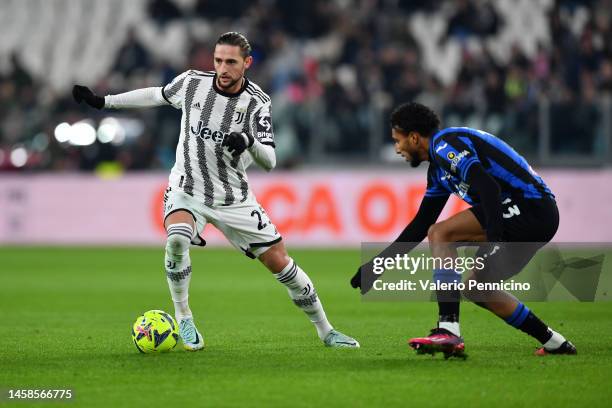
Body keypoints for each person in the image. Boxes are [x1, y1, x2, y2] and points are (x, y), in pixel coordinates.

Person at [74, 32, 359, 350]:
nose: (223, 68)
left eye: (231, 62)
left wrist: (248, 142)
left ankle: (326, 330)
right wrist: (105, 101)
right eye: (218, 60)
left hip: (233, 198)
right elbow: (156, 95)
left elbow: (270, 160)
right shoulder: (191, 83)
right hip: (187, 188)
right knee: (178, 238)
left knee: (282, 264)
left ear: (247, 63)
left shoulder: (257, 102)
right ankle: (184, 318)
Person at [351, 102, 575, 357]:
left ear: (414, 137)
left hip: (531, 206)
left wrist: (494, 240)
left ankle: (447, 329)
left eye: (398, 140)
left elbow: (489, 188)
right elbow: (420, 225)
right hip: (531, 216)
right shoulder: (437, 171)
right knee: (477, 289)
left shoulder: (445, 144)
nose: (397, 148)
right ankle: (554, 342)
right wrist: (377, 267)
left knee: (441, 233)